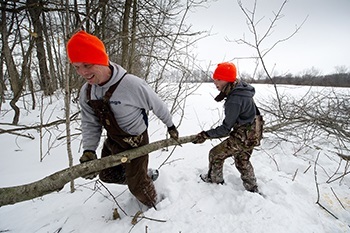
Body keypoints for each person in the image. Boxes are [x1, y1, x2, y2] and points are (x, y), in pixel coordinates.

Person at [66, 30, 179, 208]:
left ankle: (156, 205)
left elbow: (158, 105)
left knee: (138, 188)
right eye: (76, 67)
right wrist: (89, 150)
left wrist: (170, 126)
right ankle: (145, 176)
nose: (82, 72)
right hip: (113, 140)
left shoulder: (131, 85)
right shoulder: (87, 91)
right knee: (107, 175)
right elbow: (90, 122)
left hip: (137, 141)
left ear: (101, 60)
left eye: (87, 65)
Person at [192, 62, 263, 193]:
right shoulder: (242, 89)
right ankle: (252, 188)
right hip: (254, 132)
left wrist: (205, 135)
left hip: (244, 135)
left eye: (218, 79)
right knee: (242, 160)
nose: (215, 82)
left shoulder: (234, 100)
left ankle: (215, 182)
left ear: (228, 80)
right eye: (214, 78)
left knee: (215, 154)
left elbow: (225, 129)